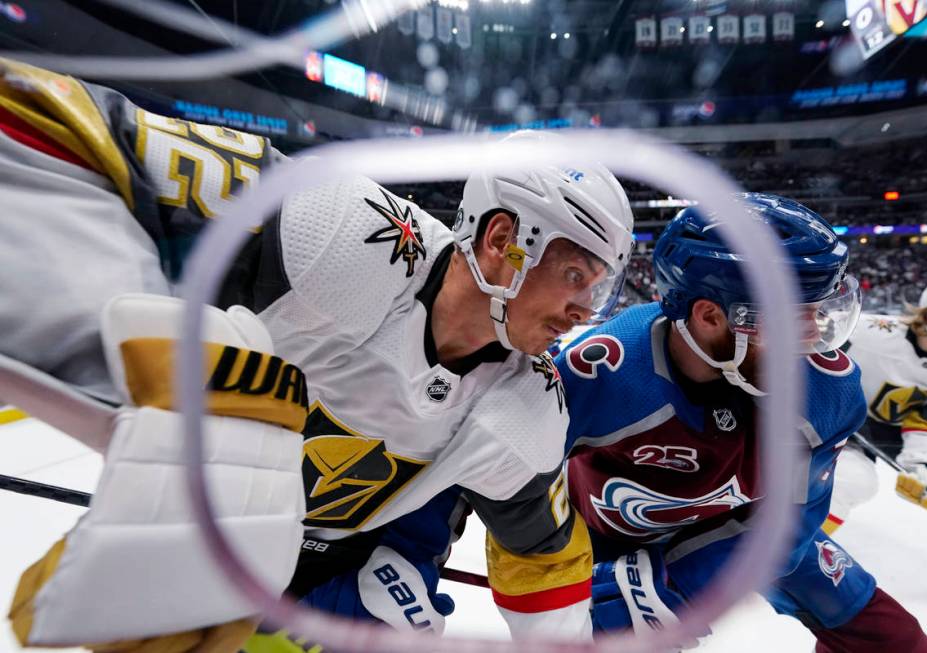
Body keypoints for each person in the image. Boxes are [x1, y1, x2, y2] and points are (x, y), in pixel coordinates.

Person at [0, 57, 634, 650]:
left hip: (330, 582)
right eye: (577, 276)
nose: (587, 310)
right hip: (196, 548)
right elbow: (43, 121)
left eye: (600, 286)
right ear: (504, 240)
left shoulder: (529, 409)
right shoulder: (343, 234)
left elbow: (546, 565)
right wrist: (104, 346)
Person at [554, 195, 927, 651]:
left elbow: (788, 526)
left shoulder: (829, 391)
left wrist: (680, 581)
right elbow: (506, 474)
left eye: (819, 311)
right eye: (794, 319)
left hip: (744, 532)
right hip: (609, 543)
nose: (815, 339)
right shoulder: (602, 372)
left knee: (894, 641)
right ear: (710, 316)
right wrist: (547, 562)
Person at [823, 277, 927, 624]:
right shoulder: (866, 331)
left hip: (906, 432)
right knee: (853, 481)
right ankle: (789, 556)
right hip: (845, 423)